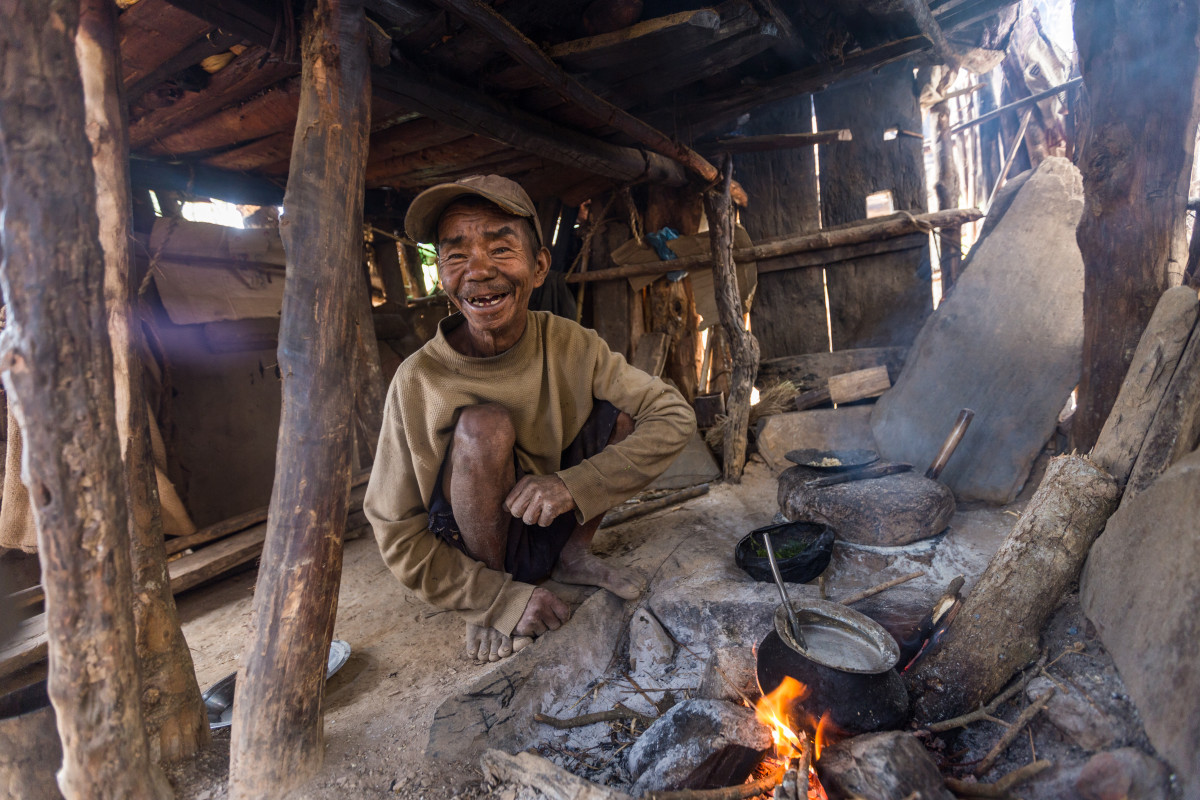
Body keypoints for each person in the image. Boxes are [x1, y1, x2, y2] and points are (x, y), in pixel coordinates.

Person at [364, 175, 696, 662]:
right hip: (477, 547)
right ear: (441, 276)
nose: (478, 271)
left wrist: (573, 484)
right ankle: (504, 594)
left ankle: (573, 556)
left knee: (624, 413)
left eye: (500, 249)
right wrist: (493, 600)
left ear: (539, 267)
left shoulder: (570, 342)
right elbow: (394, 529)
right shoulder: (419, 380)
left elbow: (672, 415)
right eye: (456, 255)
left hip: (551, 517)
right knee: (483, 428)